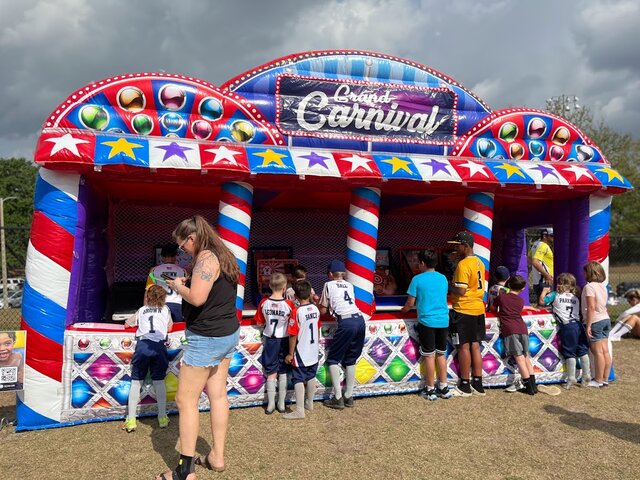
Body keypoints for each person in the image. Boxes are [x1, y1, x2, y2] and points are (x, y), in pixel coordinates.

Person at [157, 215, 240, 479]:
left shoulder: (206, 258)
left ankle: (184, 471)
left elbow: (197, 297)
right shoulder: (224, 254)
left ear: (192, 238)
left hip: (206, 337)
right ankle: (217, 456)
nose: (182, 252)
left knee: (185, 400)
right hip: (226, 333)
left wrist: (178, 286)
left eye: (183, 247)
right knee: (217, 395)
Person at [401, 250, 453, 401]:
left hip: (427, 321)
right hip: (443, 320)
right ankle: (443, 386)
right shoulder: (443, 278)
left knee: (429, 356)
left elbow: (410, 303)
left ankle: (430, 388)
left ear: (422, 263)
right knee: (441, 354)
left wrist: (402, 311)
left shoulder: (417, 279)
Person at [123, 284, 173, 432]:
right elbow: (169, 327)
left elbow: (127, 324)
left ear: (147, 297)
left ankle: (131, 419)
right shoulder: (166, 310)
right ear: (164, 298)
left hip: (143, 345)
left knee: (136, 381)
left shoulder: (142, 310)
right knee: (159, 381)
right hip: (159, 346)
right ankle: (162, 417)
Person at [320, 259, 365, 409]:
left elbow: (323, 311)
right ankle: (349, 396)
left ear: (331, 274)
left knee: (333, 359)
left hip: (345, 322)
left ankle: (338, 397)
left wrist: (315, 302)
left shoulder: (328, 284)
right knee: (351, 359)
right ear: (343, 274)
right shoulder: (350, 285)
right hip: (359, 320)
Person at [447, 231, 486, 397]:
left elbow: (461, 290)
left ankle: (465, 384)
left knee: (463, 346)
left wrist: (449, 285)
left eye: (458, 245)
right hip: (478, 308)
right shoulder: (479, 262)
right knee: (475, 345)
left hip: (464, 309)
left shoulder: (463, 265)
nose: (456, 248)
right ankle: (478, 382)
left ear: (466, 246)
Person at [539, 273, 591, 389]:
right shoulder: (575, 297)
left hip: (568, 327)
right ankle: (587, 374)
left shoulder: (556, 294)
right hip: (578, 325)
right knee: (582, 350)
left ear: (560, 284)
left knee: (569, 352)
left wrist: (544, 292)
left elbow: (542, 302)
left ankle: (571, 378)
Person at [255, 272, 295, 414]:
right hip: (284, 340)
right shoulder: (289, 304)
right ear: (284, 287)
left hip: (270, 340)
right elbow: (293, 323)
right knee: (283, 372)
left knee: (271, 372)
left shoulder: (264, 303)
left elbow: (259, 321)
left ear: (270, 286)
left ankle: (271, 405)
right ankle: (281, 404)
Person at [492, 275, 537, 395]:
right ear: (522, 289)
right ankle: (533, 384)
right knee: (526, 356)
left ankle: (528, 387)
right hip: (522, 328)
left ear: (509, 285)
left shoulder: (502, 297)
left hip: (510, 329)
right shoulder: (521, 301)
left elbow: (492, 308)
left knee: (519, 358)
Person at [283, 280, 321, 419]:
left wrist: (290, 353)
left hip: (302, 350)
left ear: (296, 296)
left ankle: (299, 410)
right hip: (313, 350)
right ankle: (309, 403)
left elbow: (293, 335)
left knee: (298, 378)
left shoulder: (297, 311)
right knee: (311, 376)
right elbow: (317, 328)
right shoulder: (315, 309)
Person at [581, 261, 612, 388]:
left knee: (597, 351)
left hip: (596, 321)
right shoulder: (602, 286)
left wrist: (588, 325)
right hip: (605, 319)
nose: (583, 274)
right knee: (605, 351)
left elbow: (591, 307)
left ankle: (598, 379)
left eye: (585, 272)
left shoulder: (589, 287)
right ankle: (604, 378)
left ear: (589, 273)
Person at [147, 243, 188, 322]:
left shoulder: (153, 270)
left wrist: (146, 307)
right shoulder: (183, 271)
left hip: (159, 304)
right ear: (175, 257)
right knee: (177, 331)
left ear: (162, 257)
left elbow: (148, 290)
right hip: (177, 304)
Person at [531, 228, 554, 301]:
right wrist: (546, 275)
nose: (553, 238)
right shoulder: (544, 246)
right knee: (546, 307)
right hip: (544, 281)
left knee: (541, 306)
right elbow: (535, 261)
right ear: (544, 236)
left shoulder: (536, 244)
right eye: (552, 236)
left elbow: (529, 258)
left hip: (538, 280)